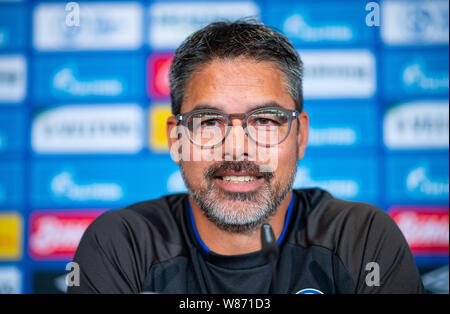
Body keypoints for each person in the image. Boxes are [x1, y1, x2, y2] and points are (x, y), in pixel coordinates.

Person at [68, 20, 425, 294]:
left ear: (300, 136)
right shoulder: (122, 243)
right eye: (208, 121)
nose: (236, 148)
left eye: (265, 120)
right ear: (176, 140)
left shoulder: (360, 238)